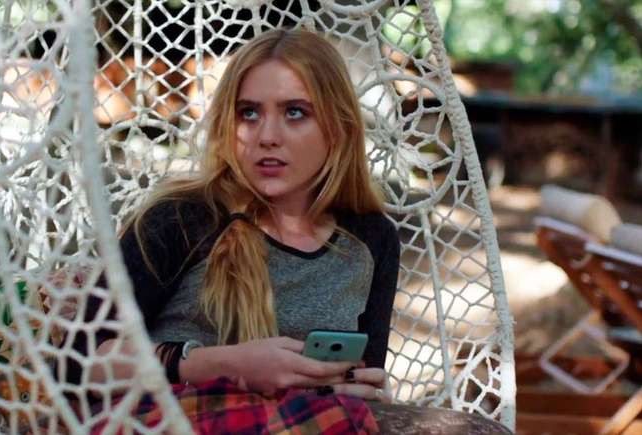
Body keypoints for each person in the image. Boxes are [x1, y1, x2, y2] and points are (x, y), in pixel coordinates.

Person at [64, 28, 401, 432]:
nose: (267, 137)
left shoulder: (371, 239)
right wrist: (222, 365)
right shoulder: (183, 219)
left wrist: (355, 386)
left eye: (295, 112)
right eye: (249, 113)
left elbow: (357, 379)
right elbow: (77, 362)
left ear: (338, 127)